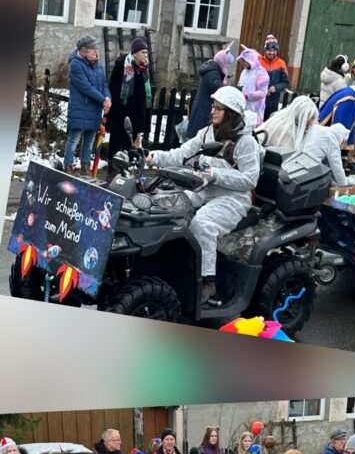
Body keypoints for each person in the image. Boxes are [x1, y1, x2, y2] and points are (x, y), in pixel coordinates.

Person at [146, 86, 261, 304]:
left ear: (231, 113)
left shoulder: (246, 142)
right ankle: (172, 267)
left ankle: (208, 283)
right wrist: (155, 157)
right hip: (204, 190)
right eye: (213, 106)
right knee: (169, 207)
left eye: (218, 108)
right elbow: (182, 154)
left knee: (202, 224)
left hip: (233, 199)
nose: (212, 111)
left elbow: (250, 180)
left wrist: (214, 174)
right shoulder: (207, 133)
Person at [258, 96, 350, 187]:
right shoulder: (285, 131)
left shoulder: (281, 121)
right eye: (311, 119)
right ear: (303, 117)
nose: (313, 123)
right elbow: (288, 160)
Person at [63, 35, 111, 178]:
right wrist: (103, 100)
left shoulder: (98, 65)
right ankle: (68, 166)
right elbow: (86, 87)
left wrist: (108, 99)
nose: (96, 51)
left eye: (96, 48)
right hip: (80, 107)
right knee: (74, 139)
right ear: (83, 51)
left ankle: (85, 167)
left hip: (94, 109)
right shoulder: (76, 64)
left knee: (89, 141)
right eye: (93, 48)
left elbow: (104, 85)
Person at [108, 37, 152, 165]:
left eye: (147, 52)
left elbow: (144, 93)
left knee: (130, 145)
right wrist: (119, 109)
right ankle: (113, 168)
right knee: (116, 143)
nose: (145, 55)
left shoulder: (145, 69)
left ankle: (127, 169)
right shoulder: (122, 66)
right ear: (135, 53)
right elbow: (114, 89)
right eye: (143, 52)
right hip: (121, 112)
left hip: (136, 113)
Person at [185, 43, 235, 140]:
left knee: (201, 132)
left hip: (205, 104)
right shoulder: (212, 72)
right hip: (204, 106)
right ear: (222, 61)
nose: (227, 66)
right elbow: (217, 88)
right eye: (227, 63)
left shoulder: (213, 70)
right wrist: (225, 86)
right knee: (199, 133)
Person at [259, 35, 290, 120]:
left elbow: (286, 82)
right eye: (269, 50)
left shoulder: (281, 64)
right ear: (265, 50)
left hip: (273, 101)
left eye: (274, 51)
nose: (272, 53)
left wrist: (276, 88)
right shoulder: (258, 61)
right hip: (258, 99)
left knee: (269, 123)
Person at [237, 45, 270, 124]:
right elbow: (240, 85)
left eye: (244, 61)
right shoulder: (244, 71)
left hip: (255, 110)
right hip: (244, 107)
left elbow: (262, 93)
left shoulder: (261, 73)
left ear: (251, 60)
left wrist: (247, 96)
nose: (242, 63)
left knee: (253, 128)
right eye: (241, 61)